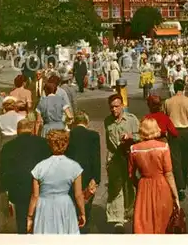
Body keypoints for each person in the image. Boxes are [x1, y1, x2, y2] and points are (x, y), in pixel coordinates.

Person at [27, 130, 86, 234]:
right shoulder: (74, 167)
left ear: (49, 144)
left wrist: (30, 216)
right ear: (66, 144)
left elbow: (35, 196)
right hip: (64, 205)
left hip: (44, 206)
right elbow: (78, 195)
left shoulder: (40, 166)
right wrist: (82, 213)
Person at [0, 119, 51, 234]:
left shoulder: (8, 146)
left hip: (18, 190)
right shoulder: (43, 143)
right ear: (32, 129)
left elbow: (3, 170)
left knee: (22, 222)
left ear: (18, 131)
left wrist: (3, 189)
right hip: (41, 189)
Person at [128, 117, 180, 234]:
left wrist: (138, 184)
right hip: (162, 186)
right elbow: (169, 174)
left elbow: (131, 174)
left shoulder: (134, 149)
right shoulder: (163, 147)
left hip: (143, 187)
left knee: (143, 222)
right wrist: (175, 196)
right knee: (162, 221)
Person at [104, 93, 140, 232]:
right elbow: (108, 142)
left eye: (116, 107)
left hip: (130, 157)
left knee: (130, 186)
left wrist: (131, 136)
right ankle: (117, 219)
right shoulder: (107, 121)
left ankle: (128, 210)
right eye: (111, 107)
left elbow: (141, 135)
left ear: (122, 106)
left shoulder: (131, 120)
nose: (114, 110)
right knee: (115, 187)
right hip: (115, 158)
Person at [65, 111, 101, 234]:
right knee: (86, 205)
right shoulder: (94, 136)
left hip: (70, 174)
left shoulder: (68, 135)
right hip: (87, 174)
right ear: (87, 122)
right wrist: (96, 178)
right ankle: (84, 229)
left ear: (75, 123)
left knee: (72, 203)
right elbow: (96, 158)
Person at [163, 79, 188, 201]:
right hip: (186, 132)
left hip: (174, 133)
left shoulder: (168, 102)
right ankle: (182, 182)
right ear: (184, 88)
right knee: (185, 158)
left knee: (176, 160)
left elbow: (165, 117)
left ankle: (180, 186)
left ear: (173, 88)